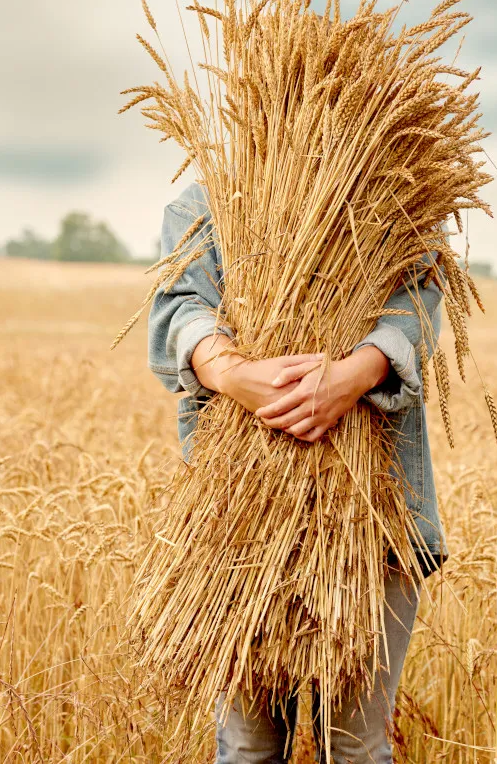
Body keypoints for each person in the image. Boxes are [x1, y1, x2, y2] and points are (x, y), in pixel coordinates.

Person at [147, 179, 449, 764]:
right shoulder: (210, 195)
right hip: (239, 526)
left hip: (374, 519)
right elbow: (179, 306)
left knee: (358, 747)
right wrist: (232, 373)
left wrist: (355, 375)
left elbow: (420, 303)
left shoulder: (400, 181)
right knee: (248, 746)